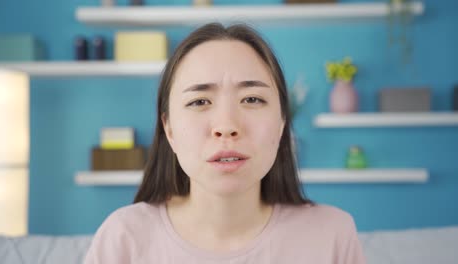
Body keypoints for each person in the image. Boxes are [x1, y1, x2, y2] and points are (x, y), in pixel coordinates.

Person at [84, 23, 366, 264]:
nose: (227, 126)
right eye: (199, 102)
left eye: (252, 99)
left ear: (282, 122)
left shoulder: (333, 236)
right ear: (168, 128)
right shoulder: (123, 239)